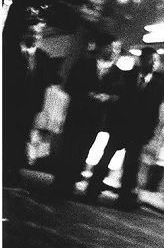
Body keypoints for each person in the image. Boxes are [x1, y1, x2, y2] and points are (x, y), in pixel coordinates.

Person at [84, 47, 164, 210]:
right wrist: (110, 123)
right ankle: (92, 191)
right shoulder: (128, 76)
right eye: (149, 60)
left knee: (130, 166)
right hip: (120, 126)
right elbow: (118, 99)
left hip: (138, 131)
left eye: (156, 61)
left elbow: (154, 111)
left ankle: (124, 198)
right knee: (105, 160)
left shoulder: (159, 84)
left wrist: (149, 132)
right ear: (142, 60)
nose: (153, 64)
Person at [52, 36, 123, 197]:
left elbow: (120, 96)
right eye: (112, 47)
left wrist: (108, 98)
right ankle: (59, 181)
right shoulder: (83, 64)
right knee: (68, 146)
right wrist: (86, 94)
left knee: (84, 150)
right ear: (102, 47)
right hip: (77, 113)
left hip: (95, 119)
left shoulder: (117, 73)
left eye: (117, 49)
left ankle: (69, 183)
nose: (114, 52)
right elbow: (69, 85)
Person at [2, 13, 59, 185]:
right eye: (30, 32)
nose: (34, 36)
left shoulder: (43, 57)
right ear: (23, 34)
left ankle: (11, 170)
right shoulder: (8, 51)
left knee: (20, 139)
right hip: (7, 102)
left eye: (37, 34)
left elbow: (47, 82)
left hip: (30, 107)